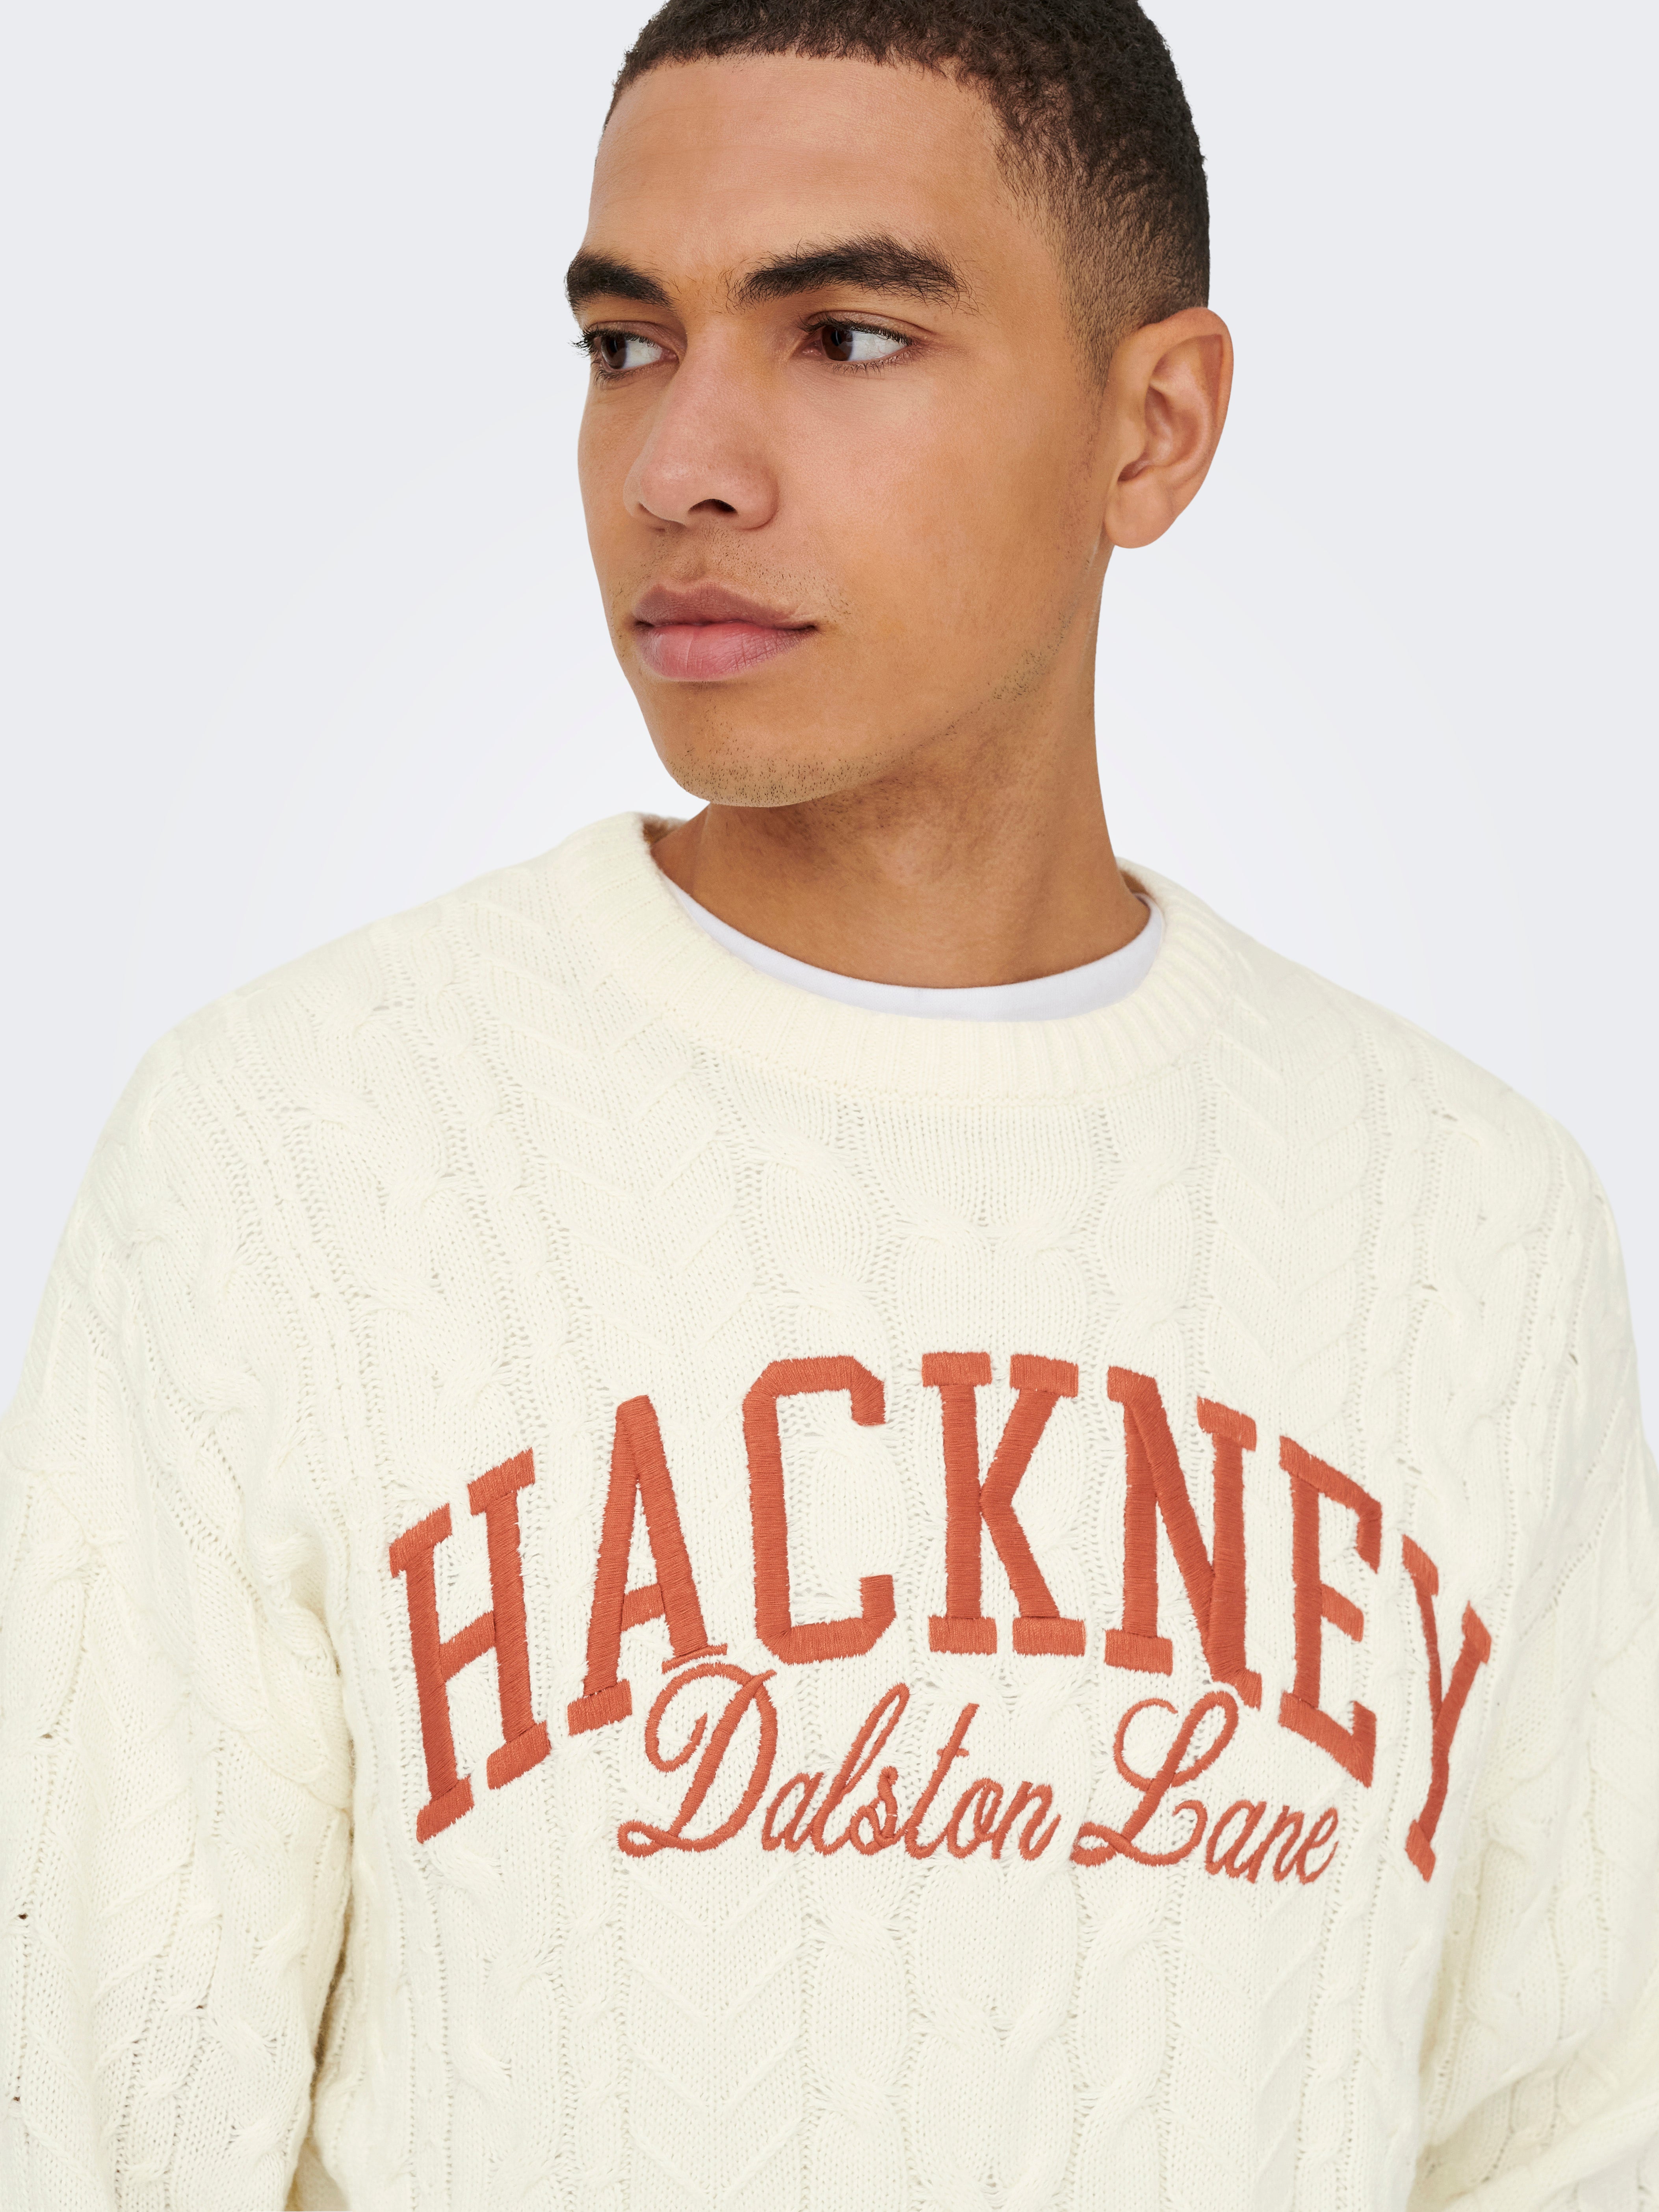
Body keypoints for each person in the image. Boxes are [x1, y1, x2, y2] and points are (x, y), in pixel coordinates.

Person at [3, 0, 1656, 2203]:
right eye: (625, 346)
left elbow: (1570, 2136)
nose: (680, 465)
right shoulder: (290, 1158)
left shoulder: (1471, 1225)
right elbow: (84, 2128)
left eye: (846, 337)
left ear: (1153, 427)